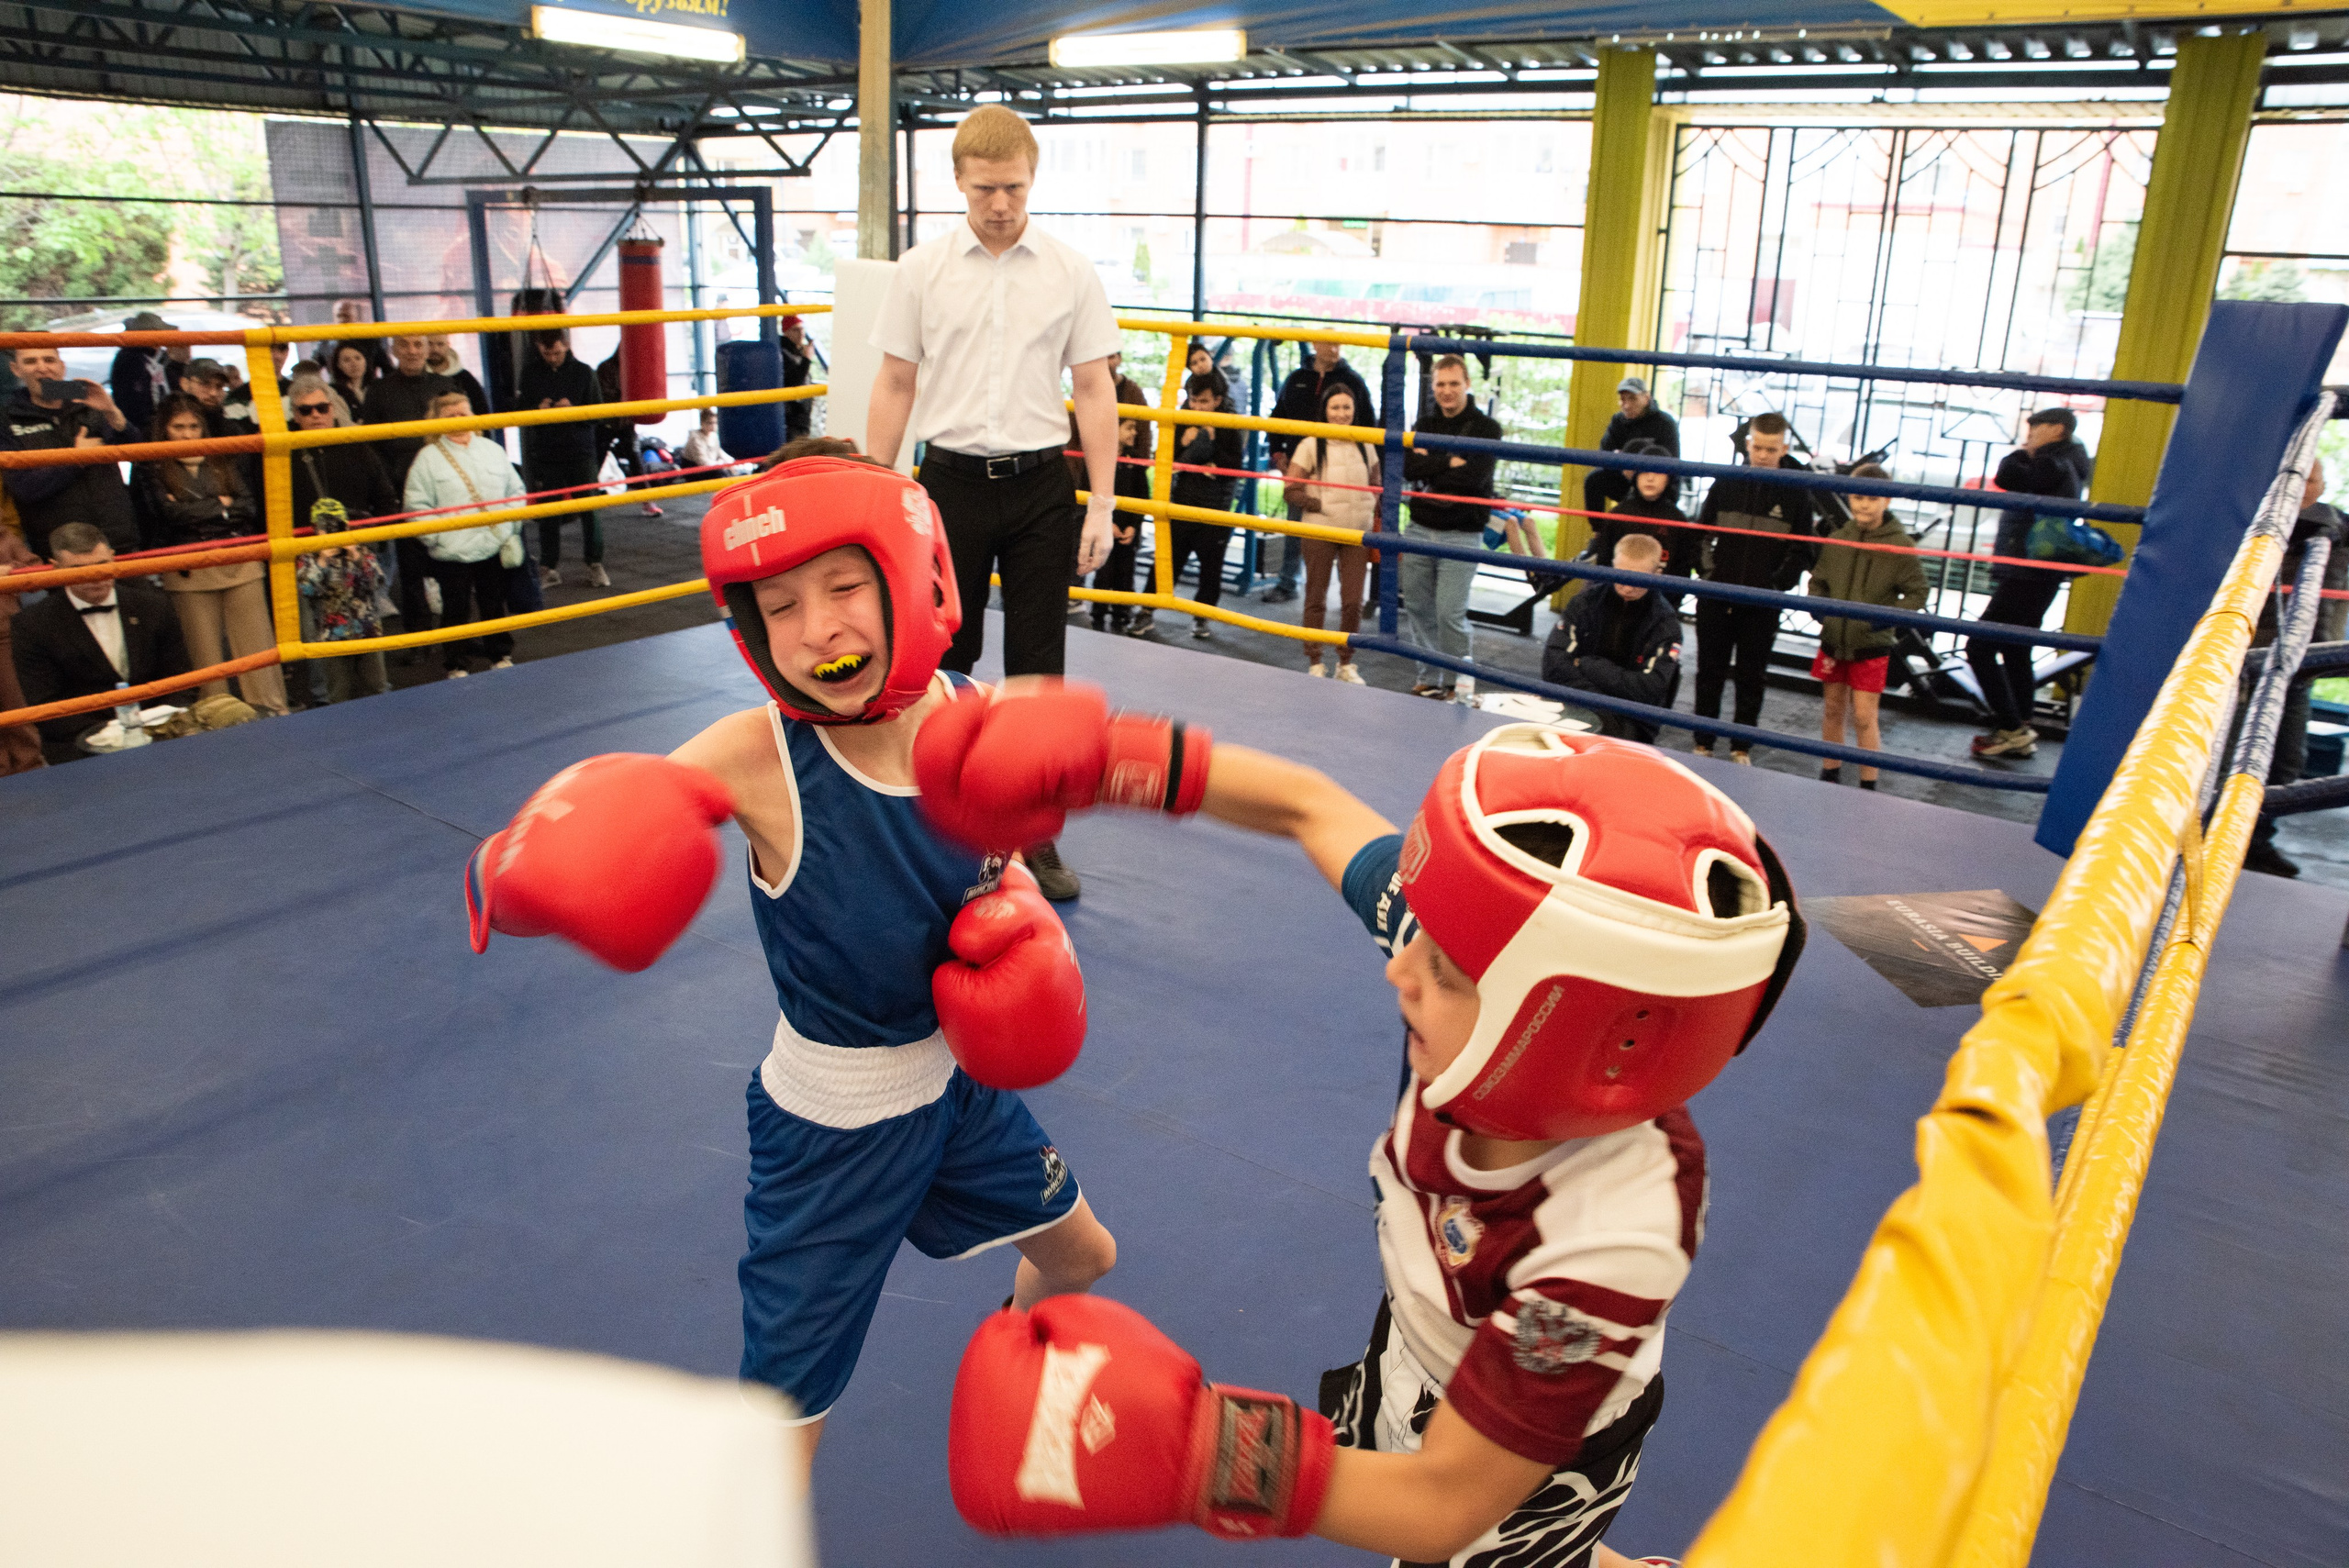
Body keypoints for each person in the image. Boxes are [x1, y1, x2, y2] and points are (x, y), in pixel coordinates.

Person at [914, 693, 1804, 1568]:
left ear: (1575, 1042)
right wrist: (1117, 758)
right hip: (1425, 1341)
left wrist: (1201, 1453)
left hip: (1533, 1456)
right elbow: (1309, 804)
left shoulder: (1611, 1234)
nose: (1402, 967)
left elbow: (1443, 1507)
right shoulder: (1480, 960)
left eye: (1444, 969)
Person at [465, 456, 1116, 1486]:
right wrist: (523, 865)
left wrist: (1020, 908)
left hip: (959, 1091)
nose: (817, 627)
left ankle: (1015, 1362)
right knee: (782, 1426)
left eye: (845, 587)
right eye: (780, 604)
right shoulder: (762, 755)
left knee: (1085, 1256)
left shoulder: (973, 715)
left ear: (913, 575)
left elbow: (994, 859)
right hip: (832, 1134)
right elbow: (638, 801)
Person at [865, 103, 1123, 903]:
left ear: (1032, 178)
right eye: (984, 190)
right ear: (958, 183)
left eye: (1012, 187)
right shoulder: (920, 270)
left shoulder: (1071, 271)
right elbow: (895, 382)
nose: (1000, 204)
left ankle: (1032, 833)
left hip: (1044, 486)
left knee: (1039, 671)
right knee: (947, 660)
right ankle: (937, 820)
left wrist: (1104, 504)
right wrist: (875, 489)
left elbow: (1093, 387)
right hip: (947, 486)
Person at [138, 393, 287, 717]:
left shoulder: (221, 458)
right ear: (164, 430)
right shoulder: (152, 466)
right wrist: (222, 506)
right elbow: (169, 516)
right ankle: (216, 725)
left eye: (194, 426)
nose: (188, 434)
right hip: (188, 568)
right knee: (205, 661)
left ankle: (275, 716)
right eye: (179, 427)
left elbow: (248, 507)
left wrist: (196, 510)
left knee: (259, 653)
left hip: (239, 559)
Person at [1965, 408, 2094, 761]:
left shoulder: (2055, 463)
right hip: (2037, 572)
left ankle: (2012, 728)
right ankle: (2019, 726)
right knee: (2016, 647)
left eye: (2035, 428)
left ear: (2058, 429)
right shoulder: (2065, 463)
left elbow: (2007, 476)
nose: (2029, 434)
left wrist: (2022, 455)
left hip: (2029, 572)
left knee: (1979, 646)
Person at [1690, 412, 1816, 763]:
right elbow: (1701, 532)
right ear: (1748, 444)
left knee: (1751, 676)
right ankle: (1702, 743)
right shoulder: (1726, 481)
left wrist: (1775, 585)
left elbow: (1804, 548)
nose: (1762, 455)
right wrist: (1710, 574)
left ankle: (1741, 746)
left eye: (1770, 449)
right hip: (1717, 595)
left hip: (1762, 602)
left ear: (1784, 447)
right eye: (1757, 447)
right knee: (1708, 671)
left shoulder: (1796, 493)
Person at [10, 522, 193, 764]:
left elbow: (183, 682)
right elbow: (45, 708)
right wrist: (114, 734)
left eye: (101, 565)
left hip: (162, 736)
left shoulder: (154, 606)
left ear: (114, 559)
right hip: (81, 749)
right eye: (79, 569)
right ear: (55, 569)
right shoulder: (32, 625)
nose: (94, 577)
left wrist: (151, 728)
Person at [2243, 457, 2343, 878]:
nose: (2309, 487)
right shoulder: (2255, 523)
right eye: (2302, 478)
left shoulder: (2335, 525)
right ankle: (2214, 835)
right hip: (2250, 662)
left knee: (2286, 762)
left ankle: (2256, 839)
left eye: (2315, 479)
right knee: (2237, 755)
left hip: (2303, 662)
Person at [1808, 467, 1928, 789]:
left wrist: (1885, 618)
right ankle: (1829, 772)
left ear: (1886, 500)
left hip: (1871, 644)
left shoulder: (1900, 546)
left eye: (1872, 498)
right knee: (1833, 708)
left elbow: (1918, 591)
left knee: (1864, 716)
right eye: (1858, 497)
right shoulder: (1837, 539)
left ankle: (1868, 783)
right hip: (1834, 639)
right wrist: (1820, 611)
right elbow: (1818, 581)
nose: (1863, 505)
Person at [1398, 355, 1503, 701]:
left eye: (1453, 384)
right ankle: (1429, 676)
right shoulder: (1425, 423)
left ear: (1468, 384)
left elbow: (1475, 477)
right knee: (1416, 605)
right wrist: (1448, 462)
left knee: (1449, 613)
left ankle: (1461, 682)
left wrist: (1433, 464)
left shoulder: (1487, 429)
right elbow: (1410, 468)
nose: (1447, 391)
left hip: (1461, 532)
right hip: (1420, 526)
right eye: (1440, 385)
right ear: (1433, 388)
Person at [404, 390, 523, 679]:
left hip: (491, 544)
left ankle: (500, 652)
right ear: (436, 421)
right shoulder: (427, 459)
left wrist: (506, 527)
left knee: (494, 603)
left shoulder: (492, 450)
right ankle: (456, 663)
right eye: (451, 415)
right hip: (451, 552)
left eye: (464, 413)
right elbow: (416, 506)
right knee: (455, 610)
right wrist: (439, 539)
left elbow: (516, 491)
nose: (459, 419)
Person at [1541, 532, 1683, 743]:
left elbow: (1650, 689)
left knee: (1610, 739)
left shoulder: (1665, 623)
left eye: (1638, 579)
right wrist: (1600, 703)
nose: (1627, 586)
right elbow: (1553, 665)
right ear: (1612, 566)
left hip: (1631, 719)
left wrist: (1589, 665)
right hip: (1578, 703)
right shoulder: (1584, 603)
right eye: (1622, 575)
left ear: (1656, 574)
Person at [2, 339, 140, 556]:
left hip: (117, 537)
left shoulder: (88, 401)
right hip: (61, 550)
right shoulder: (7, 418)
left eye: (49, 360)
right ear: (16, 369)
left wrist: (112, 411)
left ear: (61, 366)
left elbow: (138, 452)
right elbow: (24, 488)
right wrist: (75, 461)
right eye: (30, 361)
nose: (42, 367)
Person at [1264, 341, 1376, 604]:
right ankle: (1288, 582)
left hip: (1342, 467)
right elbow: (1277, 417)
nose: (1335, 348)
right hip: (1301, 466)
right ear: (1315, 345)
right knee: (1296, 527)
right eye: (1329, 343)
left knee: (1346, 529)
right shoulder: (1296, 379)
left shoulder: (1353, 381)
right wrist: (1278, 453)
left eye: (1338, 344)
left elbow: (1369, 424)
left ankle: (1348, 595)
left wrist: (1368, 467)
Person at [362, 334, 457, 639]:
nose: (413, 351)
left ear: (428, 348)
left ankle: (458, 635)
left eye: (418, 344)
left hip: (445, 488)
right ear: (394, 350)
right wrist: (386, 490)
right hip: (402, 489)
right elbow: (372, 447)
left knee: (452, 563)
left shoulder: (446, 388)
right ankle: (418, 638)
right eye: (405, 345)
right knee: (411, 568)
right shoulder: (378, 391)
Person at [1283, 382, 1378, 684]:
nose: (1340, 413)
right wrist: (1317, 503)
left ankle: (1346, 663)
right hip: (1320, 530)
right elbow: (1290, 488)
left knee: (1353, 602)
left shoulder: (1366, 443)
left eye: (1346, 407)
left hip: (1356, 534)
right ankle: (1314, 662)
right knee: (1316, 596)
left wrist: (1371, 509)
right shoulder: (1312, 444)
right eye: (1335, 407)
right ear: (1325, 410)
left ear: (1355, 410)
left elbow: (1378, 486)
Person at [516, 329, 608, 589]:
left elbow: (599, 414)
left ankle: (595, 563)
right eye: (547, 353)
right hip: (547, 453)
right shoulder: (531, 373)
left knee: (589, 510)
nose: (552, 358)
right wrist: (538, 411)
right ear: (538, 348)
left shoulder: (583, 372)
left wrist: (574, 412)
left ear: (566, 345)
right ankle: (549, 566)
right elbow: (519, 412)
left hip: (580, 452)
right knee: (548, 514)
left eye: (556, 352)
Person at [1162, 373, 1245, 642]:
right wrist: (1186, 445)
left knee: (1211, 569)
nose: (1197, 406)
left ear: (1218, 400)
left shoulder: (1228, 423)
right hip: (1183, 502)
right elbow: (1163, 459)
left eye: (1204, 401)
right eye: (1193, 400)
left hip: (1214, 507)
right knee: (1167, 561)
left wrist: (1213, 456)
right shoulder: (1180, 419)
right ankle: (1146, 610)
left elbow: (1235, 466)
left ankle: (1202, 617)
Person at [294, 497, 390, 704]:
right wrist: (322, 559)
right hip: (332, 637)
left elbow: (378, 581)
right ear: (314, 529)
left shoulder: (361, 550)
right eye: (324, 527)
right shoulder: (309, 557)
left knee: (378, 688)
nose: (332, 531)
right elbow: (307, 589)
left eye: (337, 525)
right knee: (338, 694)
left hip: (367, 631)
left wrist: (355, 554)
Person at [286, 373, 400, 526]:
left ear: (332, 409)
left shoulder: (356, 446)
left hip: (357, 539)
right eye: (306, 410)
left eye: (322, 408)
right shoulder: (285, 453)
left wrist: (375, 539)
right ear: (296, 415)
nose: (315, 415)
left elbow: (385, 498)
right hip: (307, 544)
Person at [1582, 440, 1689, 579]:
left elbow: (1682, 568)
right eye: (1644, 471)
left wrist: (1669, 598)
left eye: (1658, 472)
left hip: (1661, 596)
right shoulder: (1618, 515)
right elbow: (1604, 561)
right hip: (1618, 594)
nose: (1650, 478)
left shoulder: (1677, 520)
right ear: (1636, 476)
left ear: (1669, 478)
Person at [1088, 417, 1151, 637]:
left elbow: (1143, 494)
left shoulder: (1134, 460)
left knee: (1126, 574)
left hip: (1128, 531)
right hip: (1107, 525)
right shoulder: (1099, 459)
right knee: (1103, 572)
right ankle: (1098, 613)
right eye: (1129, 428)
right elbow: (1091, 490)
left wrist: (1134, 525)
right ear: (1113, 428)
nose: (1134, 432)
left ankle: (1122, 613)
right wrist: (1107, 521)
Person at [1584, 376, 1681, 517]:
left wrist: (1639, 470)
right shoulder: (1618, 421)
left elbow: (1672, 462)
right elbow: (1603, 455)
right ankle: (1599, 531)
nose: (1627, 405)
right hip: (1625, 480)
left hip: (1657, 483)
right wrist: (1621, 465)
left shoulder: (1665, 423)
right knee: (1594, 480)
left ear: (1646, 398)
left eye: (1633, 399)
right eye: (1623, 399)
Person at [0, 519, 44, 773]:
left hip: (5, 631)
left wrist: (9, 570)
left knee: (18, 711)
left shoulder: (5, 536)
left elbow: (35, 568)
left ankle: (33, 774)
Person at [108, 310, 187, 438]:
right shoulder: (129, 359)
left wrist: (179, 363)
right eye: (160, 333)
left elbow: (176, 389)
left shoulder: (160, 357)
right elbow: (135, 405)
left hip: (162, 424)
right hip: (142, 430)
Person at [425, 335, 492, 417]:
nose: (435, 349)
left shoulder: (465, 378)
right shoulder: (415, 378)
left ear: (448, 345)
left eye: (440, 344)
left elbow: (482, 412)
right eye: (430, 344)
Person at [779, 314, 815, 439]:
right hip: (791, 417)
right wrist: (807, 360)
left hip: (801, 415)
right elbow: (794, 380)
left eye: (802, 329)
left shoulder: (797, 352)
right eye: (796, 330)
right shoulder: (782, 354)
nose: (801, 333)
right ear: (786, 332)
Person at [327, 341, 378, 414]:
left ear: (365, 361)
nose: (354, 364)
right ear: (339, 365)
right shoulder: (334, 392)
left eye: (358, 358)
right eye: (347, 360)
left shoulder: (378, 388)